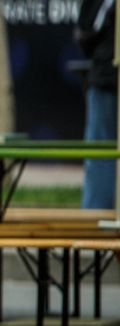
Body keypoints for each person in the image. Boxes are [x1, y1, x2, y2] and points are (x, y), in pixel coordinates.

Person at [77, 0, 116, 209]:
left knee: (101, 158)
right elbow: (86, 30)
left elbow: (86, 30)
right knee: (101, 158)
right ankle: (97, 234)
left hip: (106, 78)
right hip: (107, 79)